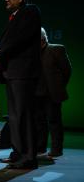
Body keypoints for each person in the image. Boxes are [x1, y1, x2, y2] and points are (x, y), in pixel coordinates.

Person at [0, 0, 41, 169]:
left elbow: (19, 38)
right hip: (13, 73)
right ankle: (17, 153)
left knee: (24, 115)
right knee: (14, 116)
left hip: (23, 73)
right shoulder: (15, 16)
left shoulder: (30, 11)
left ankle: (29, 157)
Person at [35, 27, 72, 157]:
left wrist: (58, 86)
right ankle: (40, 147)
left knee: (54, 122)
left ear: (43, 39)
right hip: (36, 93)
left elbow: (67, 71)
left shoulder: (56, 49)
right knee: (39, 122)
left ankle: (57, 149)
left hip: (52, 93)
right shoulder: (32, 53)